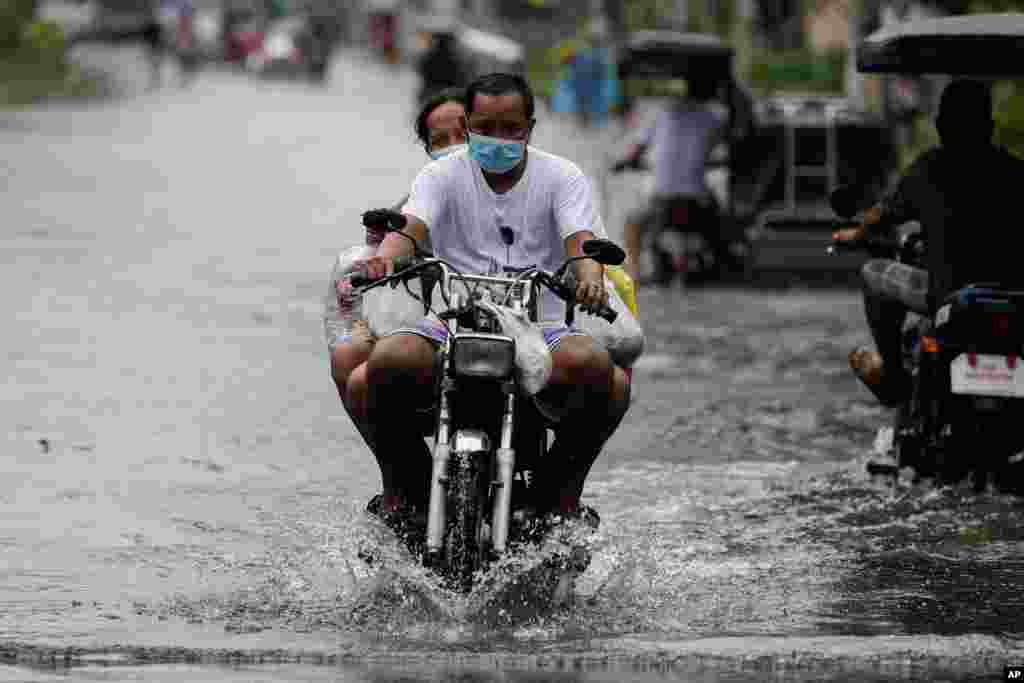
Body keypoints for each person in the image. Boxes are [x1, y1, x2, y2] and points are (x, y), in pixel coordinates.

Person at [357, 73, 632, 527]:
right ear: (468, 126)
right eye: (487, 127)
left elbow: (581, 243)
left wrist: (589, 277)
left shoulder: (562, 177)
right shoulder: (440, 175)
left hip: (540, 329)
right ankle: (413, 489)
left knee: (596, 367)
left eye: (512, 129)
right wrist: (382, 261)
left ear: (530, 127)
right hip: (449, 321)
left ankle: (557, 494)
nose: (499, 139)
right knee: (385, 362)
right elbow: (410, 228)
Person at [833, 79, 1024, 406]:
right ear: (990, 126)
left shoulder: (929, 169)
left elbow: (883, 214)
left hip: (947, 294)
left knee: (872, 272)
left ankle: (892, 376)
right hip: (1014, 298)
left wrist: (856, 233)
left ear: (940, 126)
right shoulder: (1015, 172)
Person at [328, 88, 468, 489]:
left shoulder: (534, 184)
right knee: (350, 357)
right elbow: (399, 240)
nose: (454, 149)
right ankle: (401, 479)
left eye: (464, 135)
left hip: (514, 316)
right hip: (437, 319)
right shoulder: (423, 193)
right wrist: (377, 259)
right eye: (439, 142)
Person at [611, 76, 727, 282]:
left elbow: (634, 152)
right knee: (723, 218)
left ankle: (635, 272)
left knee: (631, 223)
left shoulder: (658, 115)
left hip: (661, 198)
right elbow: (718, 146)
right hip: (696, 199)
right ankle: (723, 263)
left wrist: (623, 163)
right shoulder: (713, 117)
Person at [416, 30, 468, 106]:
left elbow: (421, 70)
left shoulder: (428, 57)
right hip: (447, 94)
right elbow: (461, 78)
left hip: (430, 92)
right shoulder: (456, 60)